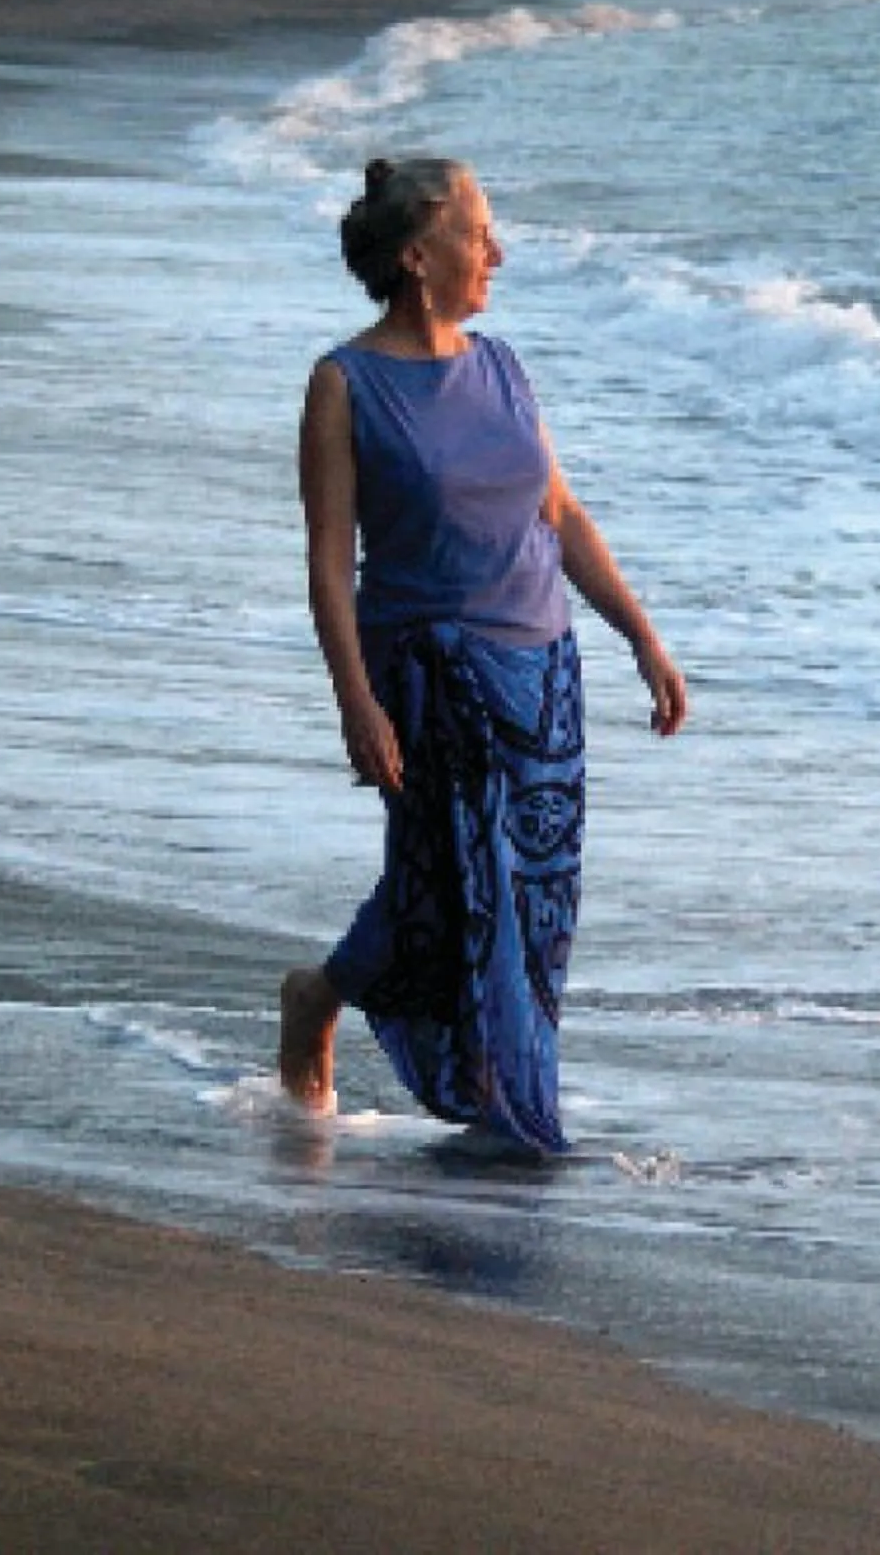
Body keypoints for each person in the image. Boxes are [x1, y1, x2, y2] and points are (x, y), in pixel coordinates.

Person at [276, 156, 688, 1154]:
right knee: (460, 886)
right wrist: (356, 704)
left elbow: (562, 515)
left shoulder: (501, 366)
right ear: (419, 255)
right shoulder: (345, 384)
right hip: (426, 672)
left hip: (542, 672)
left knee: (526, 894)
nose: (495, 251)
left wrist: (642, 634)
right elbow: (331, 564)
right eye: (477, 234)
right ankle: (513, 1115)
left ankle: (325, 994)